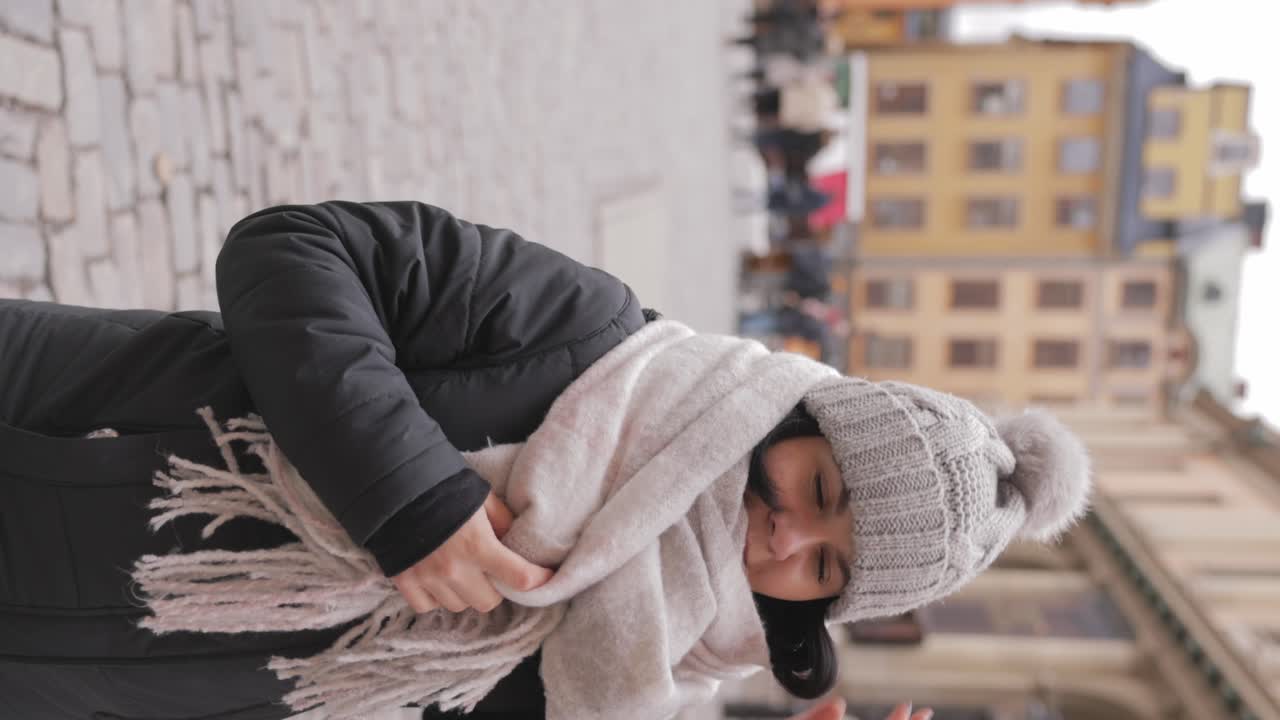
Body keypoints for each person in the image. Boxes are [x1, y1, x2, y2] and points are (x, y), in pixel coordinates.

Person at [0, 201, 1090, 720]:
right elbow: (294, 246)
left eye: (821, 568)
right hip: (46, 438)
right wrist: (410, 500)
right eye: (820, 490)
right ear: (807, 417)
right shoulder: (589, 339)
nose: (787, 535)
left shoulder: (628, 680)